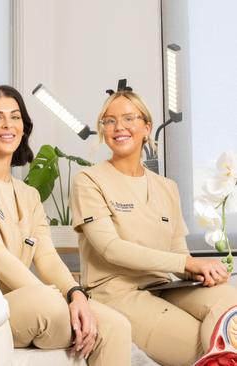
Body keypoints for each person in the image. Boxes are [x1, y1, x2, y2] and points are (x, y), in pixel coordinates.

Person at [0, 85, 131, 365]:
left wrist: (75, 294)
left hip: (26, 300)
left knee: (116, 325)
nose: (8, 125)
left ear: (24, 126)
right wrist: (54, 298)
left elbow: (46, 257)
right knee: (49, 306)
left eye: (15, 117)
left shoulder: (29, 194)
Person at [70, 89, 237, 365]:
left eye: (128, 118)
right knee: (203, 341)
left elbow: (176, 252)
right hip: (117, 293)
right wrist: (187, 263)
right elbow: (111, 249)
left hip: (164, 286)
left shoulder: (167, 187)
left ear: (147, 127)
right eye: (109, 121)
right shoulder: (88, 180)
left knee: (230, 304)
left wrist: (201, 274)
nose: (118, 127)